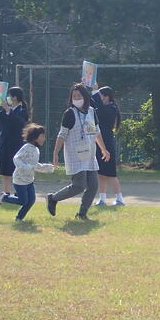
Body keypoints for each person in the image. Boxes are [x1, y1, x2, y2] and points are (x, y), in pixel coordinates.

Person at [46, 84, 111, 220]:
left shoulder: (92, 112)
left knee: (93, 186)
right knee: (79, 186)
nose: (76, 99)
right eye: (74, 96)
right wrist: (55, 153)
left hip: (89, 154)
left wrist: (103, 149)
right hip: (75, 155)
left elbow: (96, 132)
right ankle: (53, 198)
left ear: (85, 97)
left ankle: (82, 214)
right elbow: (62, 134)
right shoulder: (69, 113)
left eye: (79, 96)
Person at [0, 123, 54, 221]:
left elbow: (34, 165)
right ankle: (4, 197)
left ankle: (19, 218)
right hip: (20, 180)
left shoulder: (36, 150)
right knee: (23, 201)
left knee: (31, 201)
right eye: (42, 136)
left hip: (29, 180)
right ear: (35, 137)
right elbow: (16, 158)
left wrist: (47, 167)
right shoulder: (27, 147)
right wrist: (25, 167)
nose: (44, 139)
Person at [0, 86, 28, 194]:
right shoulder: (5, 110)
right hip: (5, 144)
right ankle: (6, 193)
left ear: (15, 97)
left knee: (17, 171)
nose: (7, 98)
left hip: (17, 146)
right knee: (5, 171)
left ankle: (19, 194)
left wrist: (9, 111)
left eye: (9, 95)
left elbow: (19, 123)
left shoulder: (22, 110)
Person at [91, 83, 124, 206]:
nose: (100, 99)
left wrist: (95, 92)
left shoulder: (111, 108)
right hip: (99, 145)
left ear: (107, 97)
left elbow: (101, 109)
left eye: (101, 96)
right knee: (100, 173)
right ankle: (102, 199)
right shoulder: (102, 108)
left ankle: (119, 199)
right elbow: (93, 105)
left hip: (107, 145)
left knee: (110, 174)